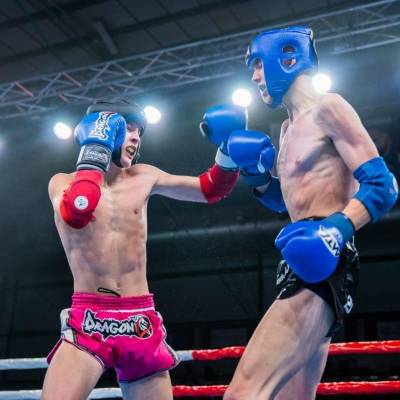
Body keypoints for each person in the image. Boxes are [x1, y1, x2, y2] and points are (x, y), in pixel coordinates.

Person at [222, 26, 398, 399]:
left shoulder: (328, 107)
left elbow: (383, 186)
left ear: (286, 58)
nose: (254, 77)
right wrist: (258, 179)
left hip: (327, 258)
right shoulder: (287, 129)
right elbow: (288, 203)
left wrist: (336, 230)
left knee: (243, 392)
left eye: (257, 65)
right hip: (302, 254)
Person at [42, 98, 245, 400]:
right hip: (90, 318)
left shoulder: (144, 176)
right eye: (129, 128)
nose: (136, 137)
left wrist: (229, 148)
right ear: (101, 129)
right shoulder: (62, 182)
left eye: (140, 131)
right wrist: (95, 150)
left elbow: (210, 189)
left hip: (139, 319)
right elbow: (77, 210)